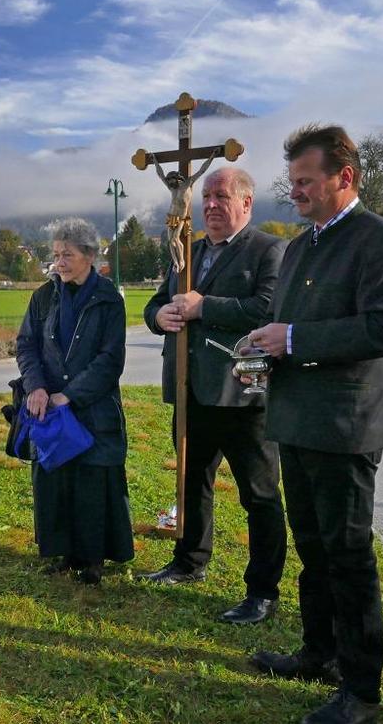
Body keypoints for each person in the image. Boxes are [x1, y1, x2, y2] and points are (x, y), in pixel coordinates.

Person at [247, 125, 383, 724]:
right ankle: (317, 654)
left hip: (344, 427)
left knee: (348, 556)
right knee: (313, 551)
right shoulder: (297, 248)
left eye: (305, 181)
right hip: (294, 420)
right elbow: (285, 327)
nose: (294, 192)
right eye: (292, 181)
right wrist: (264, 352)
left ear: (344, 177)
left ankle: (361, 689)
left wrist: (292, 339)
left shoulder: (382, 240)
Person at [138, 168, 287, 625]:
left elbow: (268, 309)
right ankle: (189, 561)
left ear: (246, 202)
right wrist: (159, 316)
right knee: (191, 483)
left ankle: (262, 592)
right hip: (191, 391)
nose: (211, 204)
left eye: (221, 196)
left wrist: (204, 307)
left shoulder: (268, 250)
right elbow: (157, 303)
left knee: (259, 496)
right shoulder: (188, 251)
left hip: (244, 396)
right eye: (207, 196)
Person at [15, 217, 133, 585]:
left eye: (67, 255)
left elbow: (110, 360)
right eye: (55, 255)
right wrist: (35, 387)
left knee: (93, 482)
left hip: (94, 408)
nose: (59, 263)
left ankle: (94, 560)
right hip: (49, 407)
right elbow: (26, 345)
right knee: (58, 480)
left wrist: (71, 395)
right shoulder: (43, 296)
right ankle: (65, 554)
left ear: (90, 256)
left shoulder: (109, 299)